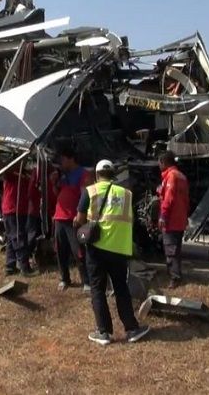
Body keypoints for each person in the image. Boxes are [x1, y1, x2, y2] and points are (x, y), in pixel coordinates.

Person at [75, 160, 150, 345]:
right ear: (113, 174)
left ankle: (103, 333)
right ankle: (132, 329)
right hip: (119, 249)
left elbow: (79, 219)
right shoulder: (126, 194)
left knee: (98, 289)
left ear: (97, 174)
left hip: (96, 249)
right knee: (121, 288)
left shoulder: (90, 191)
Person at [51, 147, 91, 292]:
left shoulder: (83, 174)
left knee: (78, 251)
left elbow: (84, 197)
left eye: (62, 160)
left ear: (70, 159)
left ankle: (86, 281)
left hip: (73, 219)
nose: (60, 163)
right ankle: (64, 278)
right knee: (60, 250)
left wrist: (80, 215)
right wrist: (54, 183)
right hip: (59, 218)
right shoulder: (62, 175)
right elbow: (58, 193)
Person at [157, 150, 190, 289]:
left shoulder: (171, 177)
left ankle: (174, 278)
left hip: (171, 220)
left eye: (159, 163)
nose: (159, 165)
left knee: (170, 250)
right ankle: (176, 274)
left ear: (164, 162)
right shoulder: (181, 176)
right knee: (176, 249)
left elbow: (169, 199)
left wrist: (163, 216)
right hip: (180, 219)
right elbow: (186, 200)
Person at [2, 168, 37, 276]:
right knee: (18, 237)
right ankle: (24, 267)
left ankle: (10, 266)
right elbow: (3, 172)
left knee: (11, 238)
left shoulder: (24, 173)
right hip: (13, 209)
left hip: (16, 209)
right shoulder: (10, 172)